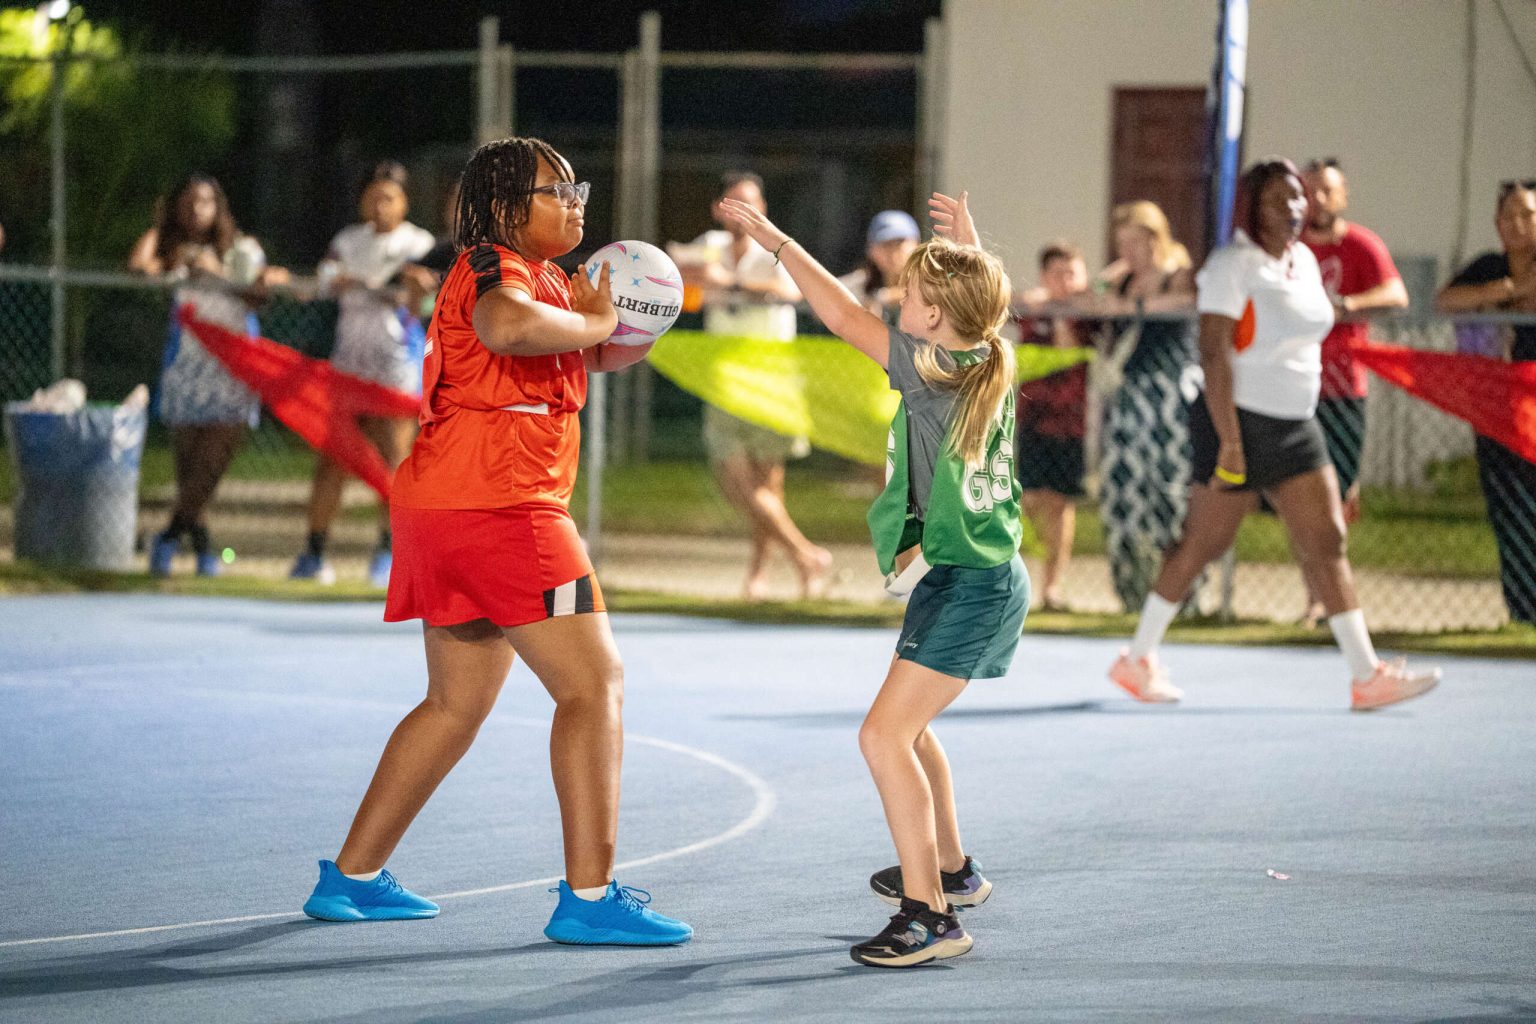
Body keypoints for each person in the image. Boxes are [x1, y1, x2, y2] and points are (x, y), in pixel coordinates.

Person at [301, 137, 691, 946]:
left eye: (580, 184)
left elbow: (580, 349)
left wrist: (631, 320)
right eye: (558, 189)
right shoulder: (492, 267)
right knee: (595, 686)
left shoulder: (550, 276)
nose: (578, 198)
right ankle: (589, 897)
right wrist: (591, 317)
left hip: (457, 507)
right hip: (503, 510)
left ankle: (353, 877)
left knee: (454, 705)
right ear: (510, 208)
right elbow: (508, 329)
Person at [720, 188, 1027, 968]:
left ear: (932, 319)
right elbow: (982, 306)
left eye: (913, 296)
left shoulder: (929, 372)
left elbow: (839, 316)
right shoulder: (989, 355)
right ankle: (953, 871)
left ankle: (931, 918)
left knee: (881, 736)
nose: (899, 302)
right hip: (965, 574)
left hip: (972, 582)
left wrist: (780, 240)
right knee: (908, 731)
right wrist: (973, 243)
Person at [1110, 158, 1440, 710]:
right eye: (1275, 200)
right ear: (1251, 208)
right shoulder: (1231, 266)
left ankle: (1367, 676)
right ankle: (1137, 659)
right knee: (1202, 545)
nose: (1291, 208)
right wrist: (1232, 442)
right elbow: (1213, 355)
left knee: (1327, 541)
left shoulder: (1306, 261)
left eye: (1297, 198)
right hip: (1236, 423)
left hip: (1296, 424)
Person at [675, 171, 831, 601]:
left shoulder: (776, 244)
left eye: (750, 202)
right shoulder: (711, 245)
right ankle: (805, 554)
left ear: (762, 208)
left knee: (769, 484)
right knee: (733, 477)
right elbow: (672, 265)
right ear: (718, 209)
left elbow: (792, 290)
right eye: (733, 202)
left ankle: (762, 575)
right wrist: (697, 272)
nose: (742, 211)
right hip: (725, 378)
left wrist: (731, 283)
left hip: (772, 378)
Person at [129, 174, 287, 577]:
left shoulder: (240, 249)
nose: (196, 209)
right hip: (187, 364)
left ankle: (167, 536)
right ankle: (201, 547)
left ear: (219, 207)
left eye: (205, 202)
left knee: (211, 464)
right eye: (188, 202)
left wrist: (214, 270)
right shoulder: (172, 248)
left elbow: (258, 295)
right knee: (189, 466)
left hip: (232, 368)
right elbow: (137, 268)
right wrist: (171, 254)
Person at [291, 161, 437, 587]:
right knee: (332, 460)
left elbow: (427, 303)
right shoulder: (347, 241)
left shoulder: (419, 243)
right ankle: (314, 553)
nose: (380, 204)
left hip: (396, 369)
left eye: (389, 196)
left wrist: (414, 286)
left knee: (395, 464)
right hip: (348, 368)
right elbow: (321, 282)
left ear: (404, 202)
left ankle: (389, 551)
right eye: (373, 194)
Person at [1296, 158, 1410, 624]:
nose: (1318, 200)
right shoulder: (1293, 247)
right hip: (1295, 387)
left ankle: (1336, 598)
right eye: (1310, 191)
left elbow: (1396, 296)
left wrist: (1346, 305)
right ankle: (1315, 598)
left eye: (1327, 190)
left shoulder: (1361, 245)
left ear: (1343, 195)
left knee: (1336, 496)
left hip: (1343, 388)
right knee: (1300, 498)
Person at [1089, 200, 1201, 612]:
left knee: (1171, 494)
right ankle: (1132, 592)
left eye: (1134, 242)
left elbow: (1186, 302)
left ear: (1155, 238)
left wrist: (1133, 307)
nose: (1127, 252)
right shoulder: (1122, 282)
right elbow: (1092, 296)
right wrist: (1110, 282)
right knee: (1123, 493)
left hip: (1170, 399)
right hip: (1127, 397)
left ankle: (1183, 596)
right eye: (1122, 244)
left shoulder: (1178, 277)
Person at [1436, 180, 1536, 625]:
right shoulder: (1488, 267)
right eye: (1508, 217)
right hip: (1498, 410)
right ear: (1497, 224)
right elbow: (1445, 300)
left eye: (1527, 215)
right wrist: (1503, 291)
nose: (1517, 225)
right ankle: (1520, 610)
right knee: (1508, 507)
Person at [1015, 241, 1091, 610]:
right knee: (1027, 499)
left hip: (1070, 422)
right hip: (1032, 416)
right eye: (1057, 273)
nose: (1065, 281)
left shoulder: (1085, 314)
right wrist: (1042, 302)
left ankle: (1051, 588)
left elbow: (1066, 350)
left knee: (1060, 504)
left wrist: (1063, 311)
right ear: (1044, 277)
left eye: (1072, 273)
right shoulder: (1032, 309)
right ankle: (1018, 578)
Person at [839, 210, 921, 322]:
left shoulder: (931, 279)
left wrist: (883, 298)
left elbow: (933, 291)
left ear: (917, 246)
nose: (892, 251)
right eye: (885, 244)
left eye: (899, 242)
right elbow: (826, 293)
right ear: (871, 250)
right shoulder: (864, 281)